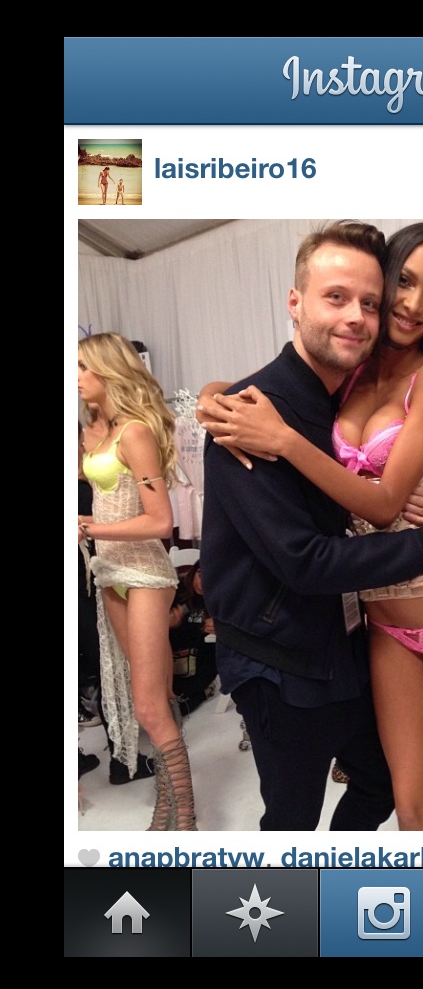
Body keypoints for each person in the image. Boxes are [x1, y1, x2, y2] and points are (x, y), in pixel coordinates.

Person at [200, 222, 423, 831]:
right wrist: (215, 397)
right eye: (402, 284)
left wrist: (284, 441)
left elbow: (385, 500)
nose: (409, 305)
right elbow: (280, 384)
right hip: (370, 622)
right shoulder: (348, 374)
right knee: (406, 803)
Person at [77, 332, 196, 830]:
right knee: (156, 697)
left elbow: (160, 521)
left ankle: (185, 819)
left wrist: (90, 529)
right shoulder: (95, 433)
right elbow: (108, 500)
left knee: (148, 704)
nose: (76, 377)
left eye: (82, 367)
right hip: (109, 572)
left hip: (144, 572)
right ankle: (167, 808)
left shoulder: (134, 432)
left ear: (107, 370)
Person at [78, 421, 156, 784]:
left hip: (115, 573)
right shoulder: (86, 481)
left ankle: (126, 758)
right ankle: (124, 759)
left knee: (125, 674)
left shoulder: (127, 437)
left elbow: (154, 518)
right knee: (110, 667)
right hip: (97, 576)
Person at [168, 560, 218, 715]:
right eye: (200, 576)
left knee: (179, 707)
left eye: (210, 579)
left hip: (201, 658)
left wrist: (219, 625)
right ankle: (202, 693)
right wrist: (167, 623)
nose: (203, 585)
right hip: (173, 655)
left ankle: (202, 692)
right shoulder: (175, 589)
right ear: (193, 571)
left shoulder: (218, 596)